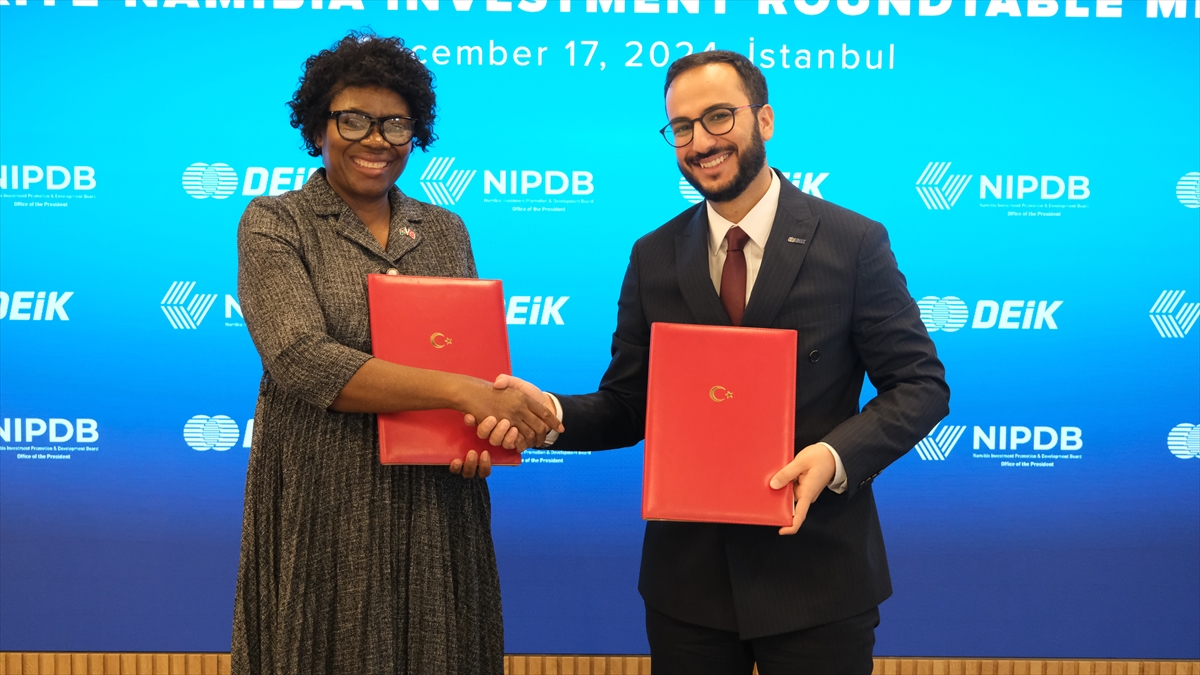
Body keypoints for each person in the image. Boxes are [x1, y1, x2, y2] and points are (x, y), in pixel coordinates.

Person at [472, 51, 949, 674]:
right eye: (682, 127)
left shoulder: (852, 242)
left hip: (818, 575)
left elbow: (920, 386)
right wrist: (548, 413)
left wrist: (833, 458)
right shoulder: (653, 255)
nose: (700, 142)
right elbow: (628, 405)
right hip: (689, 586)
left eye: (719, 117)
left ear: (765, 120)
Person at [231, 33, 561, 675]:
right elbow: (300, 358)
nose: (376, 139)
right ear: (317, 128)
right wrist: (462, 393)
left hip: (436, 500)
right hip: (324, 496)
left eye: (395, 124)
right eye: (353, 120)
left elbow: (471, 362)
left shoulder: (445, 230)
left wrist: (479, 434)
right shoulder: (275, 222)